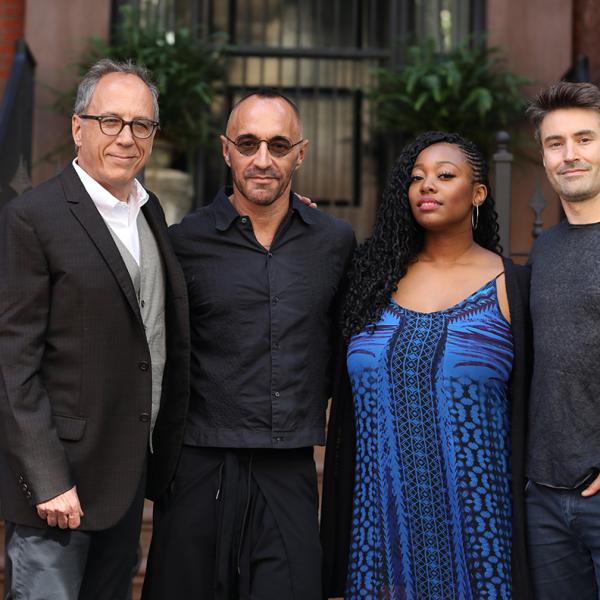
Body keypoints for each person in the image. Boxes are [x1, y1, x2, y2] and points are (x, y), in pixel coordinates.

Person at [142, 89, 355, 600]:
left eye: (278, 146)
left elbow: (349, 341)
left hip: (289, 465)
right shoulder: (182, 242)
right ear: (226, 150)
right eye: (248, 143)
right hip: (198, 461)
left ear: (300, 153)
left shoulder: (334, 242)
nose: (263, 160)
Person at [0, 59, 189, 600]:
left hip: (124, 480)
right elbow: (13, 361)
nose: (126, 138)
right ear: (77, 127)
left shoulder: (150, 214)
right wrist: (47, 478)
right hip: (58, 489)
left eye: (141, 125)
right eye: (111, 121)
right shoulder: (32, 218)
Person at [321, 131, 532, 599]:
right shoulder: (369, 278)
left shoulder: (514, 285)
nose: (427, 186)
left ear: (479, 193)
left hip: (481, 533)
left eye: (445, 175)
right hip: (379, 532)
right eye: (417, 178)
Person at [525, 81, 600, 599]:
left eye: (585, 139)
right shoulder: (544, 248)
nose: (569, 155)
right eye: (556, 143)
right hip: (545, 498)